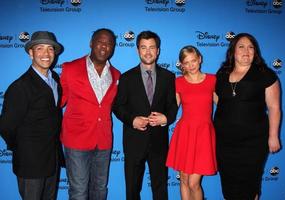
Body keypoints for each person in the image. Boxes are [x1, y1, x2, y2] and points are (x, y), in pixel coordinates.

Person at [214, 33, 281, 200]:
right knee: (228, 185)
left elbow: (274, 108)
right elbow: (218, 99)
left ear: (255, 52)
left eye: (251, 47)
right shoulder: (222, 73)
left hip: (253, 143)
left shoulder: (265, 74)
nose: (246, 51)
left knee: (249, 187)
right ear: (233, 51)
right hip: (224, 142)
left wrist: (273, 136)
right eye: (241, 47)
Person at [113, 30, 178, 200]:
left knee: (160, 189)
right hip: (134, 141)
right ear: (137, 50)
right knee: (133, 190)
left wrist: (167, 118)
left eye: (152, 47)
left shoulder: (169, 77)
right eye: (143, 47)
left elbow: (173, 105)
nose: (148, 52)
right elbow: (118, 106)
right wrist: (132, 120)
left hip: (159, 142)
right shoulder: (126, 78)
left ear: (158, 51)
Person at [0, 31, 63, 200]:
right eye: (40, 48)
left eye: (50, 49)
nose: (46, 54)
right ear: (31, 53)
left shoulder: (55, 79)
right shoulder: (20, 87)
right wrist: (23, 148)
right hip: (31, 163)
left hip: (52, 159)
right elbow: (6, 127)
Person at [60, 28, 120, 200]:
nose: (104, 46)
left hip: (103, 141)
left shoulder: (116, 75)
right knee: (79, 192)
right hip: (76, 141)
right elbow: (57, 102)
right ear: (91, 43)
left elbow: (117, 106)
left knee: (100, 190)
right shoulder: (70, 68)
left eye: (109, 43)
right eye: (100, 41)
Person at [166, 45, 217, 200]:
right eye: (186, 62)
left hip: (204, 135)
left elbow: (222, 106)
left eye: (193, 61)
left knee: (194, 183)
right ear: (181, 65)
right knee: (184, 180)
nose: (191, 65)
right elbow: (172, 109)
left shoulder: (212, 80)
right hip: (185, 134)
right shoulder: (179, 82)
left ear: (199, 59)